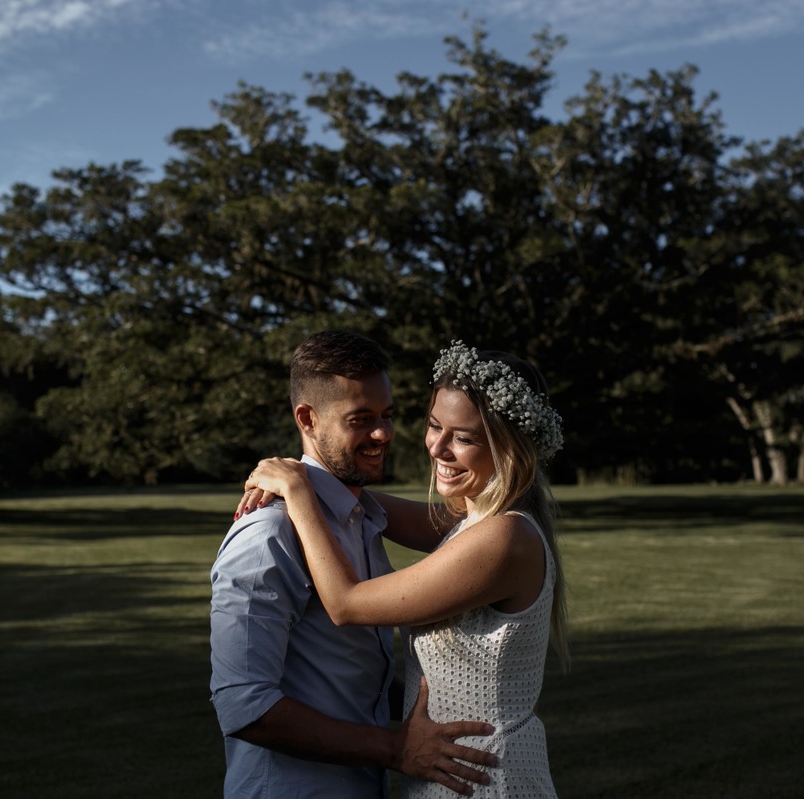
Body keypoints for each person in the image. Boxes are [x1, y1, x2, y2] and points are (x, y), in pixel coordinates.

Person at [241, 340, 569, 798]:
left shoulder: (503, 539)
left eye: (465, 437)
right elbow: (358, 499)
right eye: (434, 425)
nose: (438, 447)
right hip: (454, 771)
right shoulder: (472, 519)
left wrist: (297, 491)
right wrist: (308, 474)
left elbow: (346, 603)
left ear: (510, 447)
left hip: (486, 779)